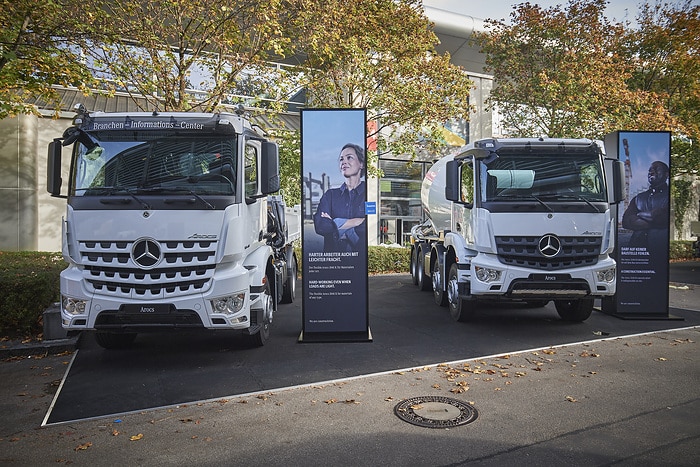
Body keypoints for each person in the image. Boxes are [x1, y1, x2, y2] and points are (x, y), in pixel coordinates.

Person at [313, 143, 366, 252]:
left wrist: (335, 223)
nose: (344, 162)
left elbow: (368, 227)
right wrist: (356, 222)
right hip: (333, 260)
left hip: (359, 261)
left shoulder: (368, 194)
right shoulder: (330, 195)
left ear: (361, 164)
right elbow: (321, 226)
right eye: (341, 159)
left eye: (349, 157)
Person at [621, 160, 669, 249]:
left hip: (659, 249)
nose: (651, 171)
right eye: (650, 170)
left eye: (656, 169)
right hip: (637, 250)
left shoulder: (669, 196)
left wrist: (639, 214)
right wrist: (654, 221)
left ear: (666, 174)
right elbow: (626, 221)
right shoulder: (639, 197)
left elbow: (662, 217)